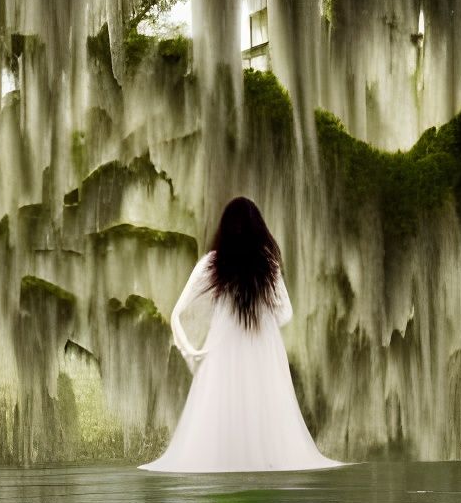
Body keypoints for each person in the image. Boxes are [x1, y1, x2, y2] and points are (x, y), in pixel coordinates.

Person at [139, 196, 342, 473]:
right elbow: (287, 313)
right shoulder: (269, 264)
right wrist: (264, 323)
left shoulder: (213, 264)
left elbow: (179, 312)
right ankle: (267, 458)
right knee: (264, 402)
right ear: (259, 227)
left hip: (223, 347)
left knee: (225, 402)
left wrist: (192, 350)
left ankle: (226, 458)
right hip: (264, 348)